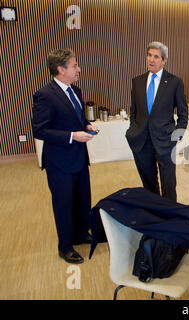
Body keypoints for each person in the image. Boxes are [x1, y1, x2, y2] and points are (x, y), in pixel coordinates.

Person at [32, 49, 98, 264]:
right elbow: (40, 131)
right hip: (59, 162)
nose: (78, 69)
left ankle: (80, 234)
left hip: (79, 158)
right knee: (63, 204)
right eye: (74, 65)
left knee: (82, 200)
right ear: (61, 69)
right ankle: (65, 246)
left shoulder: (76, 91)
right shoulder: (45, 95)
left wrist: (86, 126)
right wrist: (72, 136)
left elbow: (76, 120)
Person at [126, 41, 188, 202]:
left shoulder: (175, 82)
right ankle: (154, 215)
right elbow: (134, 111)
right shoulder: (137, 81)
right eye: (149, 55)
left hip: (166, 141)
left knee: (168, 184)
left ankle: (170, 217)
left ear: (164, 60)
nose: (151, 60)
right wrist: (133, 130)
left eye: (156, 57)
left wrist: (177, 136)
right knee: (149, 184)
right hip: (141, 141)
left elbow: (183, 113)